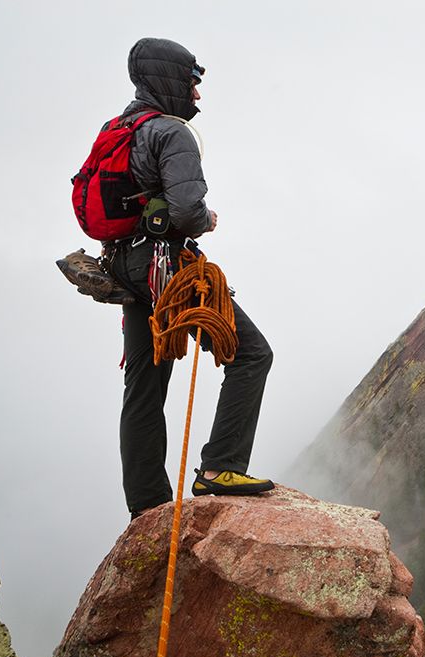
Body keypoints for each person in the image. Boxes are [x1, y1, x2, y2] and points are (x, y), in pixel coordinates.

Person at [105, 37, 274, 520]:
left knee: (144, 382)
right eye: (191, 84)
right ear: (169, 81)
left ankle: (147, 507)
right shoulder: (170, 133)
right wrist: (205, 218)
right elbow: (186, 209)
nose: (197, 96)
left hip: (126, 266)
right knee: (251, 354)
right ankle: (220, 466)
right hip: (166, 266)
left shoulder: (118, 127)